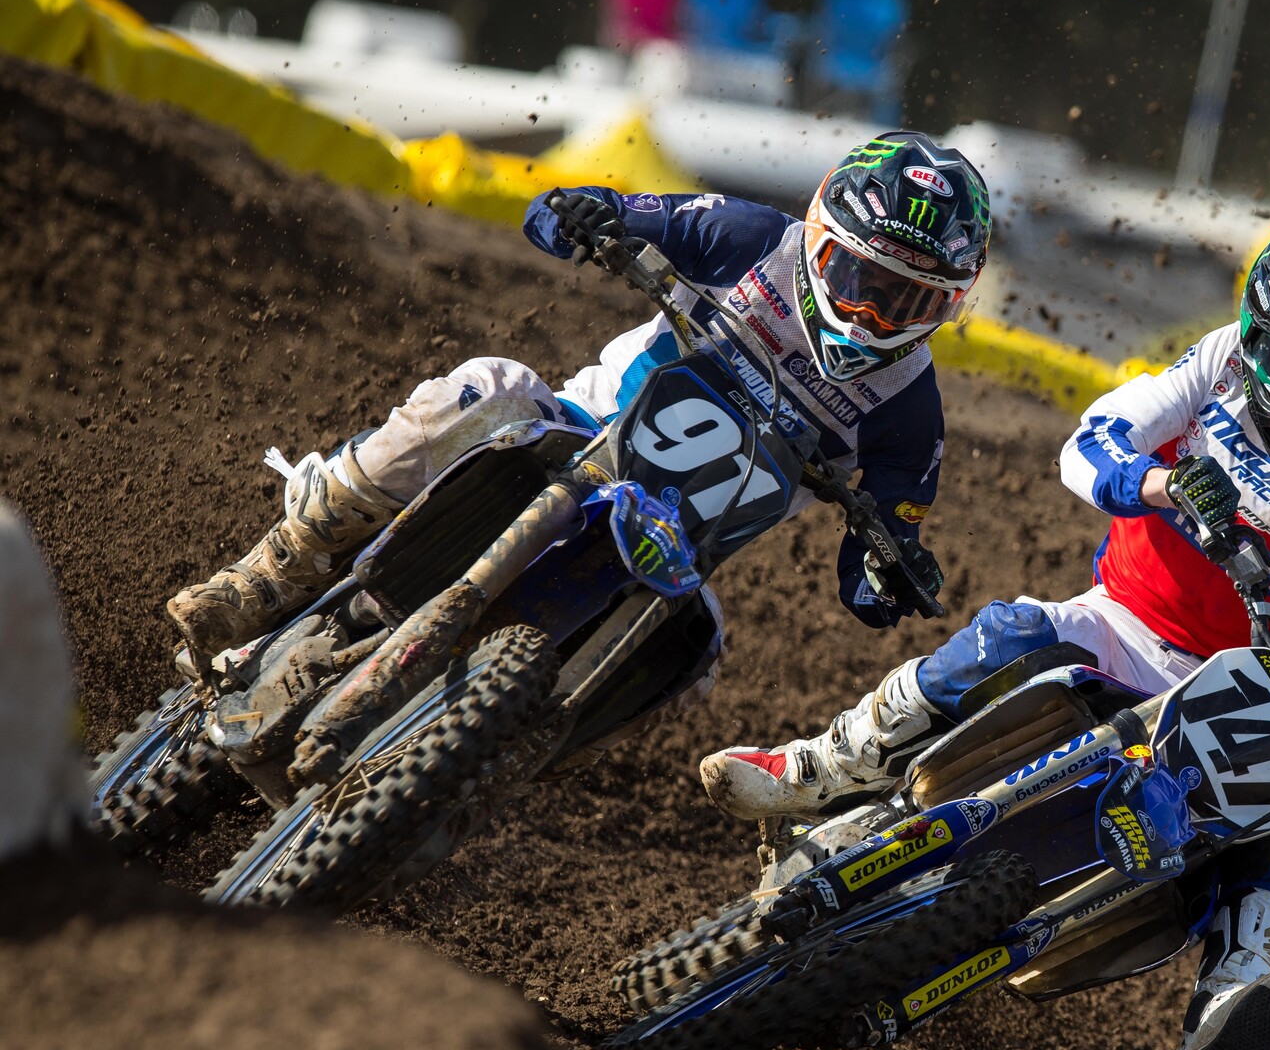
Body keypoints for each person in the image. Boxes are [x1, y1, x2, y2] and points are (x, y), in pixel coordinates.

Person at [698, 210, 1270, 1050]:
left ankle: (1246, 983)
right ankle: (824, 765)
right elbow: (1089, 442)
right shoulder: (1212, 369)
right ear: (1253, 330)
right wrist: (1161, 484)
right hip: (1121, 622)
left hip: (1237, 689)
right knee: (1011, 631)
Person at [166, 132, 992, 662]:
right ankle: (270, 574)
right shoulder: (750, 241)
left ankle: (471, 773)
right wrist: (582, 216)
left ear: (950, 304)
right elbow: (590, 216)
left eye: (906, 302)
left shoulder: (908, 419)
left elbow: (873, 566)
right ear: (819, 236)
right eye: (857, 278)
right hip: (574, 438)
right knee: (491, 388)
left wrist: (889, 576)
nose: (868, 313)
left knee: (694, 655)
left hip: (672, 556)